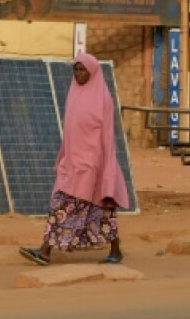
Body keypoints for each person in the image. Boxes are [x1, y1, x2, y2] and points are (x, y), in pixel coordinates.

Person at [19, 53, 129, 266]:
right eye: (76, 70)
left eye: (83, 70)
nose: (78, 74)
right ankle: (115, 251)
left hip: (91, 163)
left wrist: (105, 169)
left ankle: (45, 250)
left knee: (68, 206)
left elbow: (107, 136)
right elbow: (70, 131)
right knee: (94, 211)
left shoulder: (103, 99)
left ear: (93, 72)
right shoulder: (74, 93)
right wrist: (63, 158)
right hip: (71, 162)